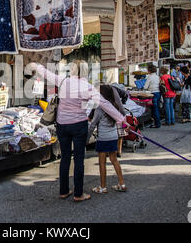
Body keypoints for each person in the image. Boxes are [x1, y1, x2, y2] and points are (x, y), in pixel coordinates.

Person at [33, 60, 126, 202]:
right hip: (79, 126)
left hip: (62, 125)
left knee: (64, 158)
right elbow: (105, 104)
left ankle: (64, 191)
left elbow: (46, 73)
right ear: (85, 71)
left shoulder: (63, 81)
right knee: (78, 159)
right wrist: (121, 119)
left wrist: (36, 65)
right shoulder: (87, 87)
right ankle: (78, 194)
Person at [87, 85, 127, 194]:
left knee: (102, 163)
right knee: (114, 160)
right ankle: (122, 183)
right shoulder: (113, 107)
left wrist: (86, 138)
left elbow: (92, 125)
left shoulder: (100, 108)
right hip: (113, 137)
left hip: (103, 138)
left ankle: (103, 187)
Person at [144, 64, 161, 128]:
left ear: (149, 70)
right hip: (158, 93)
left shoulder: (149, 77)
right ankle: (158, 123)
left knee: (154, 109)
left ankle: (157, 124)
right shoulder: (157, 76)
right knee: (157, 108)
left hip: (152, 94)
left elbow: (145, 87)